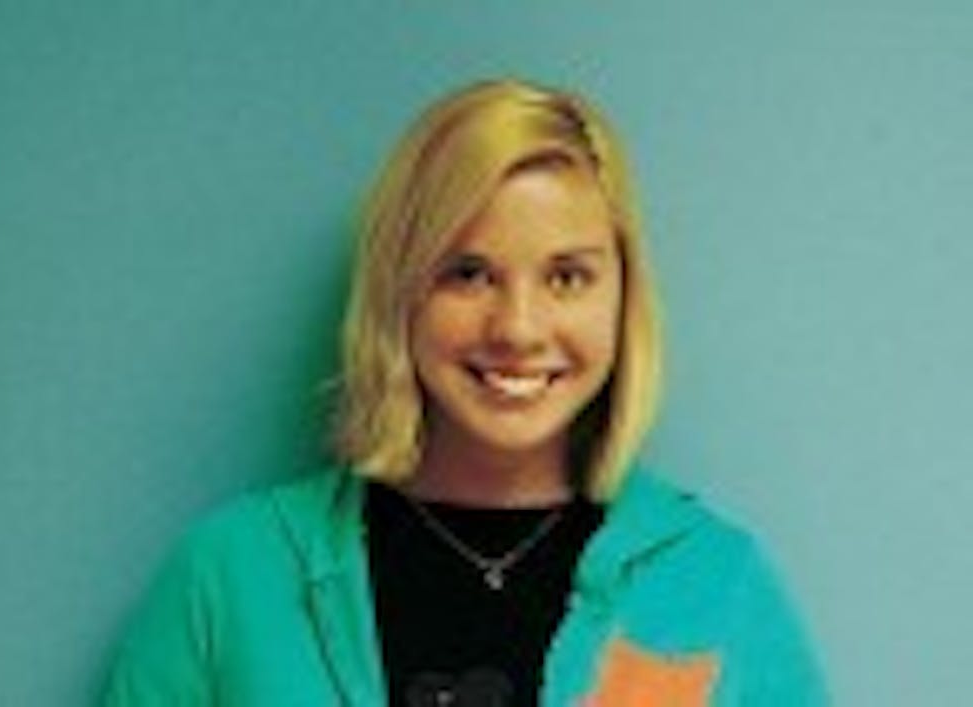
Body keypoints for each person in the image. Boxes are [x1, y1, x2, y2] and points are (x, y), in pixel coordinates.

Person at [101, 79, 828, 706]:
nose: (518, 327)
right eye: (468, 274)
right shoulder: (229, 578)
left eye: (567, 277)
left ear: (621, 297)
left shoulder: (717, 585)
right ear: (400, 292)